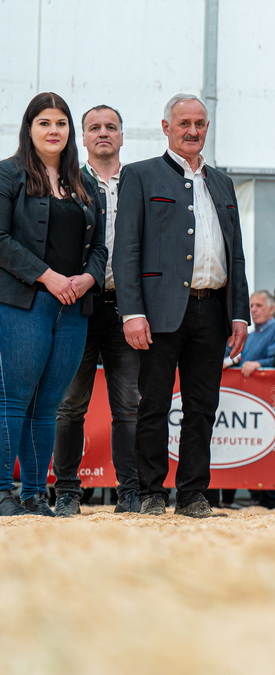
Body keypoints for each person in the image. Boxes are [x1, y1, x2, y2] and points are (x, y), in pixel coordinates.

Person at [112, 93, 250, 518]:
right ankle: (151, 491)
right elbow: (126, 249)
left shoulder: (223, 182)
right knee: (152, 404)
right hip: (158, 312)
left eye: (200, 123)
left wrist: (240, 313)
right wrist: (132, 312)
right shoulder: (140, 175)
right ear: (166, 127)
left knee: (203, 407)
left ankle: (193, 494)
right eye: (184, 123)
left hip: (212, 311)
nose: (193, 131)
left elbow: (236, 254)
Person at [0, 92, 106, 517]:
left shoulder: (84, 183)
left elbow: (100, 246)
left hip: (73, 308)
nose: (53, 131)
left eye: (60, 123)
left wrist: (86, 279)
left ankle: (33, 495)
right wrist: (50, 277)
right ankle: (4, 492)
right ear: (29, 128)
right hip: (24, 304)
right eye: (44, 123)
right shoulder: (8, 175)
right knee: (14, 400)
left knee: (48, 406)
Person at [52, 104, 141, 517]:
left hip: (127, 307)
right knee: (71, 404)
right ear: (82, 138)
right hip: (76, 306)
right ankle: (67, 490)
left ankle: (130, 492)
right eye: (94, 128)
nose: (103, 133)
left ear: (122, 136)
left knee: (129, 406)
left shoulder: (139, 182)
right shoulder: (67, 182)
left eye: (111, 127)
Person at [229, 289, 275, 377]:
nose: (253, 310)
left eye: (258, 305)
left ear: (271, 309)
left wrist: (259, 364)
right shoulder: (250, 336)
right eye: (251, 306)